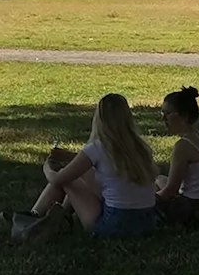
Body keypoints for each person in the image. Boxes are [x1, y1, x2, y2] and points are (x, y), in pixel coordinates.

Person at [12, 94, 161, 240]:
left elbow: (58, 180)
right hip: (146, 222)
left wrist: (47, 166)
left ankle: (35, 216)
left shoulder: (98, 148)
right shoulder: (140, 147)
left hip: (113, 225)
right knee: (84, 173)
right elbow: (106, 161)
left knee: (69, 179)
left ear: (99, 119)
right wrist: (70, 156)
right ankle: (59, 216)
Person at [155, 86, 199, 228]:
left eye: (168, 113)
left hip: (193, 211)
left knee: (151, 189)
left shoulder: (183, 146)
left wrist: (146, 201)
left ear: (184, 116)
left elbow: (171, 190)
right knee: (159, 179)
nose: (163, 119)